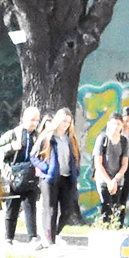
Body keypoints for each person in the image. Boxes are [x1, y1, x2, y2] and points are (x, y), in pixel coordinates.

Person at [33, 106, 79, 249]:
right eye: (64, 121)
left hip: (67, 177)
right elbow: (33, 157)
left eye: (68, 122)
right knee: (51, 209)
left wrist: (76, 171)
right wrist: (46, 168)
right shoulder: (47, 136)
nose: (66, 124)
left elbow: (76, 156)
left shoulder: (71, 139)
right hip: (50, 178)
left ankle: (54, 234)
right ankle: (50, 241)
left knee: (68, 209)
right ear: (57, 121)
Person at [0, 108, 40, 244]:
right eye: (32, 120)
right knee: (12, 207)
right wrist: (11, 147)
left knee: (30, 207)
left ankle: (32, 237)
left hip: (30, 176)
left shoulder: (37, 136)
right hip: (13, 176)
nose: (34, 123)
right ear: (24, 118)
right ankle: (9, 238)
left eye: (37, 120)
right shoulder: (13, 134)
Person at [92, 107, 129, 228]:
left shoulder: (124, 141)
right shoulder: (102, 139)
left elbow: (124, 164)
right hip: (103, 179)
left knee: (115, 207)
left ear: (121, 126)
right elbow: (98, 163)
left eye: (118, 124)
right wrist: (108, 181)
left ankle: (114, 230)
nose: (116, 126)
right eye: (113, 123)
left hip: (117, 180)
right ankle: (103, 230)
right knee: (106, 205)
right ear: (108, 124)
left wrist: (115, 180)